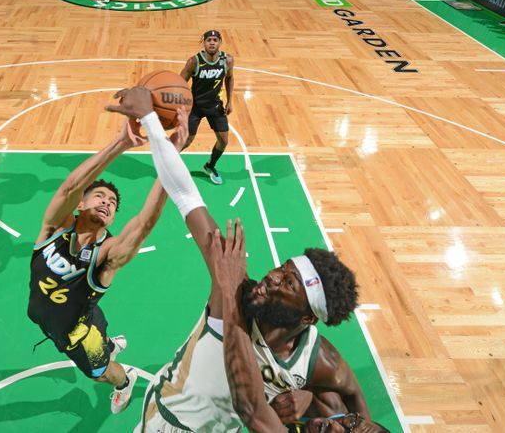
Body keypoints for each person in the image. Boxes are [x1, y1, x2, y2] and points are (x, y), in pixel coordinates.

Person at [106, 87, 379, 433]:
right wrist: (150, 120)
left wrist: (308, 394)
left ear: (307, 317)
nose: (273, 276)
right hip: (170, 422)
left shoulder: (319, 360)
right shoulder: (232, 285)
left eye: (288, 283)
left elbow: (353, 397)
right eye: (284, 268)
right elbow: (185, 193)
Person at [28, 116, 185, 415]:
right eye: (99, 195)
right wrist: (121, 142)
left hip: (76, 332)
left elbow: (143, 224)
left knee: (99, 373)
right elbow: (68, 187)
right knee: (88, 314)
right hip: (58, 313)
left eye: (112, 202)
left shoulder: (106, 256)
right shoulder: (53, 230)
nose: (106, 202)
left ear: (113, 217)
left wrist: (170, 158)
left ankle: (125, 381)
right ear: (80, 205)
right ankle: (110, 343)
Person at [179, 29, 234, 185]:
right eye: (208, 40)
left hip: (216, 106)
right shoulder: (194, 61)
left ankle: (210, 166)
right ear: (204, 42)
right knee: (187, 140)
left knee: (223, 141)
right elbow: (180, 82)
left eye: (215, 40)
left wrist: (230, 100)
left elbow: (230, 78)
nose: (212, 42)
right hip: (195, 106)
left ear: (220, 42)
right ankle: (168, 165)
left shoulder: (227, 60)